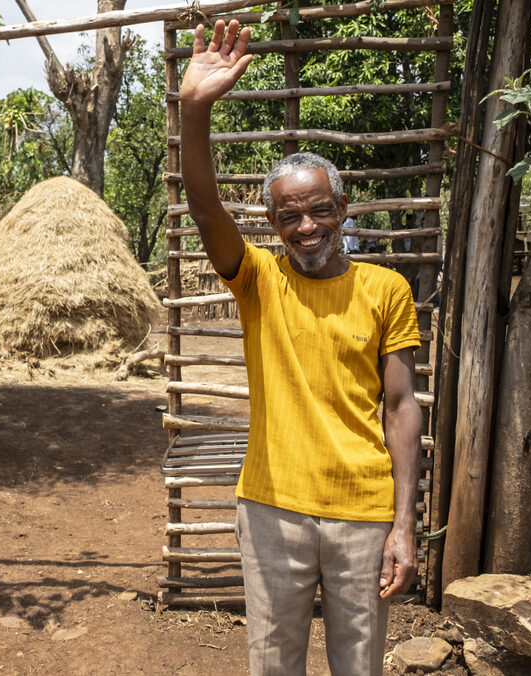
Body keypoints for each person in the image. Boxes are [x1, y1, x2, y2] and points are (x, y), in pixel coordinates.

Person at [178, 20, 423, 676]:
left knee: (358, 666)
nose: (306, 226)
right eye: (289, 215)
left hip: (363, 515)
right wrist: (193, 110)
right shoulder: (259, 281)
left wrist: (403, 523)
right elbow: (205, 212)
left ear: (343, 208)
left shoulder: (386, 289)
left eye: (318, 210)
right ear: (272, 223)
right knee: (273, 664)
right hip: (271, 512)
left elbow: (400, 408)